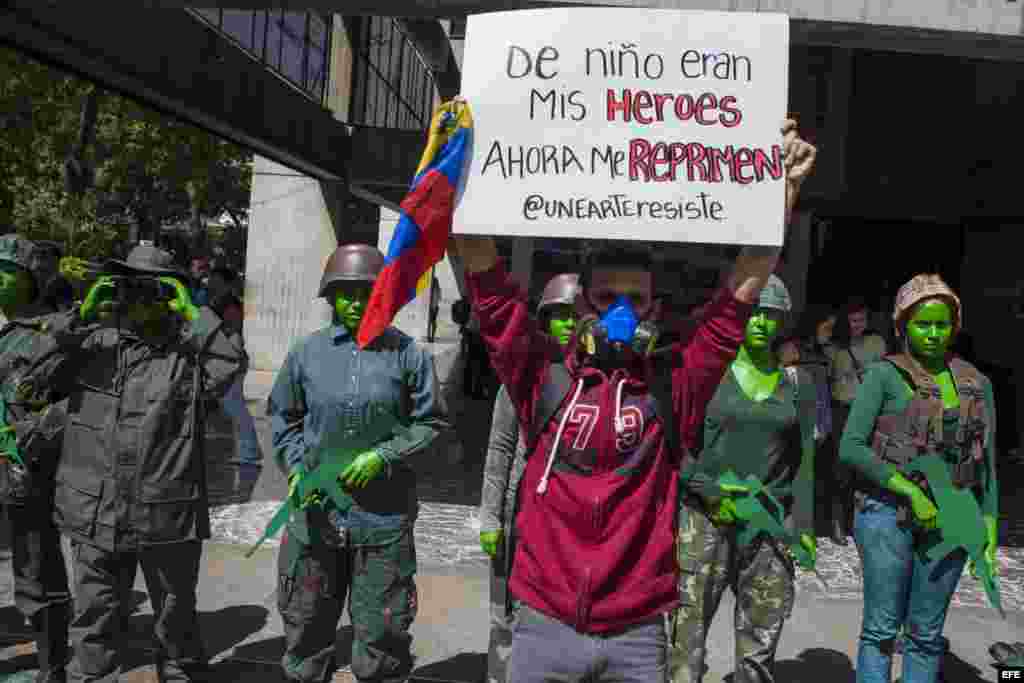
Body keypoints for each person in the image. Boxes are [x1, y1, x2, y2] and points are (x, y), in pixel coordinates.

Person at [451, 119, 816, 683]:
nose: (621, 313)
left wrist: (781, 195)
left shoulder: (676, 383)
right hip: (543, 627)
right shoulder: (541, 373)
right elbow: (492, 294)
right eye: (605, 297)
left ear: (656, 307)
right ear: (582, 305)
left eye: (635, 298)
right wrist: (457, 171)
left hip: (639, 637)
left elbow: (736, 298)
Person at [20, 243, 248, 682]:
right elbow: (34, 372)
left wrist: (192, 310)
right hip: (94, 515)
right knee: (94, 623)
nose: (140, 297)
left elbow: (231, 362)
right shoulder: (90, 345)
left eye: (153, 289)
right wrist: (81, 313)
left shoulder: (187, 358)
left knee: (175, 620)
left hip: (165, 516)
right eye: (130, 286)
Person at [268, 244, 447, 683]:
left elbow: (432, 422)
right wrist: (296, 470)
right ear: (330, 297)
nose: (354, 302)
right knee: (305, 633)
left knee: (381, 639)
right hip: (315, 518)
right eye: (344, 292)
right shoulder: (306, 354)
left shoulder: (408, 355)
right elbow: (283, 418)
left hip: (382, 522)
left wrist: (384, 455)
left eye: (365, 292)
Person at [840, 274, 998, 683]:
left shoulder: (977, 384)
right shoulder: (883, 376)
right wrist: (909, 490)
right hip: (885, 514)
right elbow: (851, 447)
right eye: (922, 323)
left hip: (952, 517)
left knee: (926, 635)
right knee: (880, 630)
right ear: (902, 326)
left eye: (941, 324)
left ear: (954, 326)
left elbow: (988, 462)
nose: (932, 333)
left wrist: (990, 521)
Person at [670, 275, 818, 683]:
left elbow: (806, 456)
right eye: (752, 313)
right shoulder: (705, 373)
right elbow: (672, 445)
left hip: (768, 523)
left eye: (769, 316)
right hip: (705, 522)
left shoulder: (798, 384)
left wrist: (803, 525)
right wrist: (708, 490)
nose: (759, 323)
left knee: (759, 646)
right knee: (686, 642)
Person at [479, 273, 578, 683]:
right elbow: (500, 449)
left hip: (569, 526)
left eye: (577, 316)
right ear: (545, 322)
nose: (569, 325)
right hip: (520, 518)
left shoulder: (599, 382)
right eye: (560, 317)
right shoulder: (521, 377)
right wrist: (490, 517)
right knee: (507, 619)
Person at [0, 234, 72, 683]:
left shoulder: (52, 335)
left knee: (37, 571)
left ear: (32, 280)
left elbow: (71, 408)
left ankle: (52, 667)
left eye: (8, 271)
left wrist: (30, 434)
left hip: (25, 472)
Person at [829, 297, 887, 541]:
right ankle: (837, 523)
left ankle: (858, 522)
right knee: (841, 467)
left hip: (868, 409)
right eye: (852, 320)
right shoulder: (834, 346)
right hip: (842, 408)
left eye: (861, 319)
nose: (857, 324)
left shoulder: (876, 342)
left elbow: (885, 371)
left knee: (865, 466)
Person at [793, 304, 846, 543]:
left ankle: (832, 524)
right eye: (827, 327)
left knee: (831, 475)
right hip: (802, 419)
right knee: (803, 476)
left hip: (827, 418)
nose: (829, 332)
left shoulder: (830, 351)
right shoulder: (794, 350)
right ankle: (804, 529)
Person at [428, 274, 441, 343]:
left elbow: (436, 299)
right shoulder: (437, 289)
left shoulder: (433, 290)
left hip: (433, 307)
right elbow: (439, 299)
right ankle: (431, 336)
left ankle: (431, 336)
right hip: (435, 307)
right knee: (432, 322)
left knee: (431, 322)